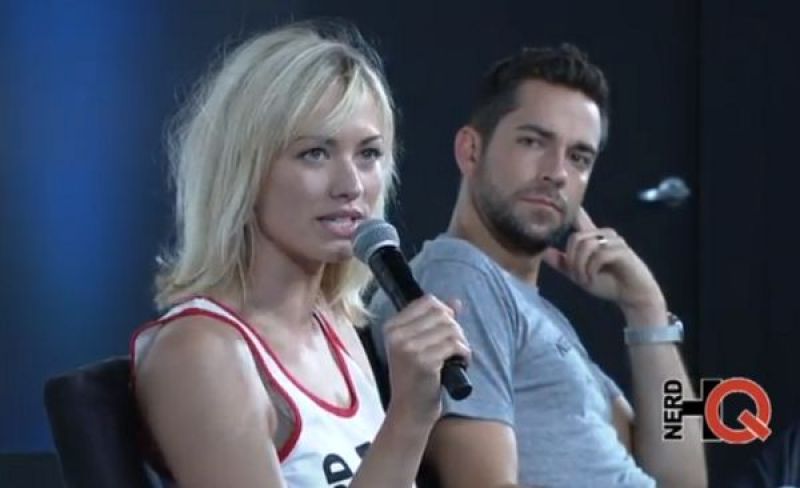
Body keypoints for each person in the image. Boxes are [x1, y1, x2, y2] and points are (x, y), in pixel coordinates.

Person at [130, 21, 470, 488]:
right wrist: (409, 416)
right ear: (244, 170)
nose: (351, 186)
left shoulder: (336, 327)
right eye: (315, 153)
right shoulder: (201, 353)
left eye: (369, 154)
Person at [368, 44, 707, 487]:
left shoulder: (539, 313)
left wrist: (648, 312)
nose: (557, 172)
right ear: (470, 151)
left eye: (578, 157)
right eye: (533, 141)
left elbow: (685, 480)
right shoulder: (461, 277)